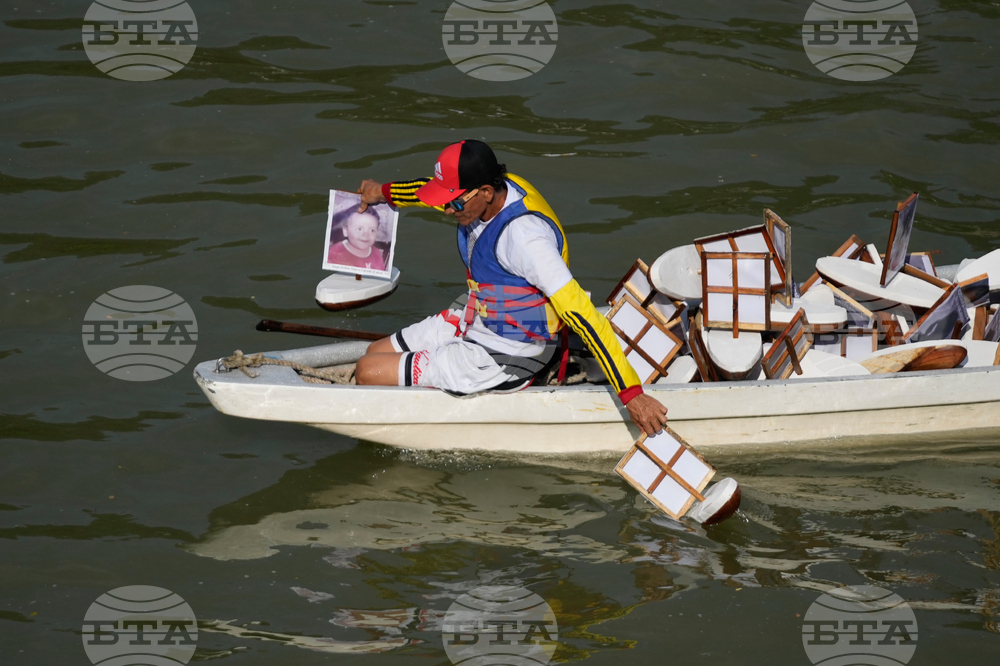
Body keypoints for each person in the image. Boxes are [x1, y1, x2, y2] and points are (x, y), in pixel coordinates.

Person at [353, 139, 669, 436]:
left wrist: (632, 394)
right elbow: (428, 193)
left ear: (487, 192)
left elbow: (584, 316)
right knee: (374, 353)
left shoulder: (525, 240)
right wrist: (379, 192)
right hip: (484, 309)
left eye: (453, 203)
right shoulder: (491, 191)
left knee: (368, 372)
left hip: (509, 352)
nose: (447, 211)